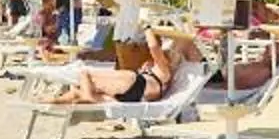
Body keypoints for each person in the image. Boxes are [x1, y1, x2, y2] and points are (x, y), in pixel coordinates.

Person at [38, 30, 191, 108]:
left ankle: (85, 94)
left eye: (168, 53)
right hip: (132, 94)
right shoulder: (162, 74)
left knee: (84, 74)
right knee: (79, 87)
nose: (165, 53)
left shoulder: (165, 70)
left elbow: (154, 48)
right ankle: (56, 99)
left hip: (134, 85)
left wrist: (148, 27)